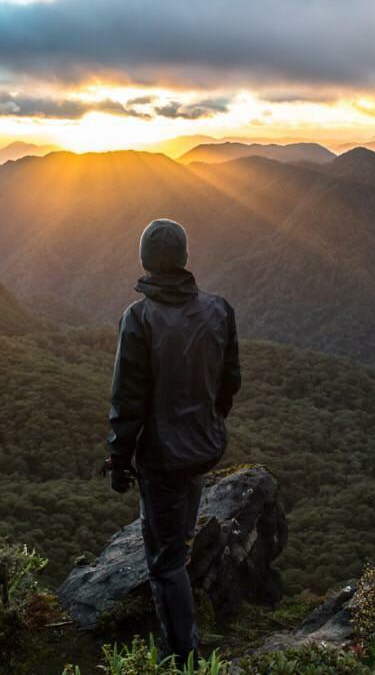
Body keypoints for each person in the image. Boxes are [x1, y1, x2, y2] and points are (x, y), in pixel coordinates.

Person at [103, 218, 241, 662]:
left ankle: (183, 657)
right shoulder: (218, 309)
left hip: (162, 458)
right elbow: (230, 381)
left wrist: (119, 460)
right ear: (184, 259)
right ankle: (185, 576)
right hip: (202, 447)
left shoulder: (138, 318)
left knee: (163, 562)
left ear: (145, 260)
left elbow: (128, 400)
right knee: (179, 534)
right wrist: (209, 420)